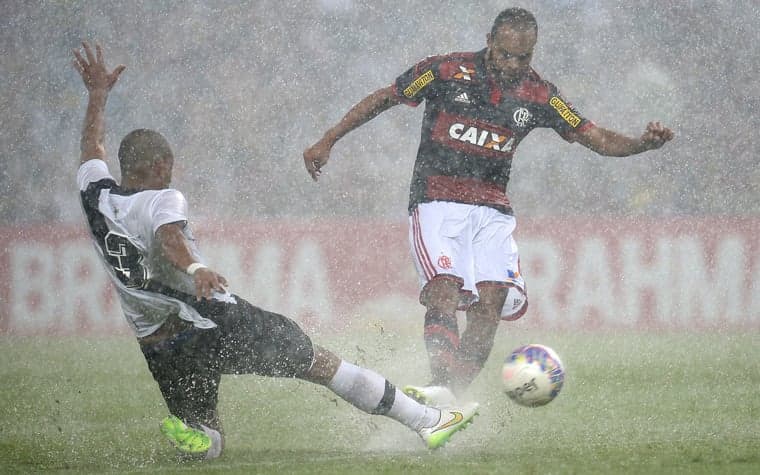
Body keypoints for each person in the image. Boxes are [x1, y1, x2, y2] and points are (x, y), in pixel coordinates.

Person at [72, 42, 478, 459]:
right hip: (212, 319)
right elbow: (169, 237)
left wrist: (98, 96)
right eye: (169, 166)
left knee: (210, 443)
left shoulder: (94, 195)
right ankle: (429, 422)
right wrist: (195, 267)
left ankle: (195, 437)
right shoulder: (163, 199)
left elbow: (91, 147)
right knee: (322, 365)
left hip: (159, 344)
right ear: (160, 166)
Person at [303, 8, 674, 405]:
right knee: (444, 289)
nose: (513, 65)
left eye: (524, 57)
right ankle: (440, 385)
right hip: (436, 200)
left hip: (493, 210)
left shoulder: (542, 95)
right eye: (505, 54)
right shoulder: (445, 70)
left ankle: (449, 400)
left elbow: (594, 136)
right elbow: (386, 97)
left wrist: (641, 144)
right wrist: (329, 139)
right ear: (489, 41)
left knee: (490, 302)